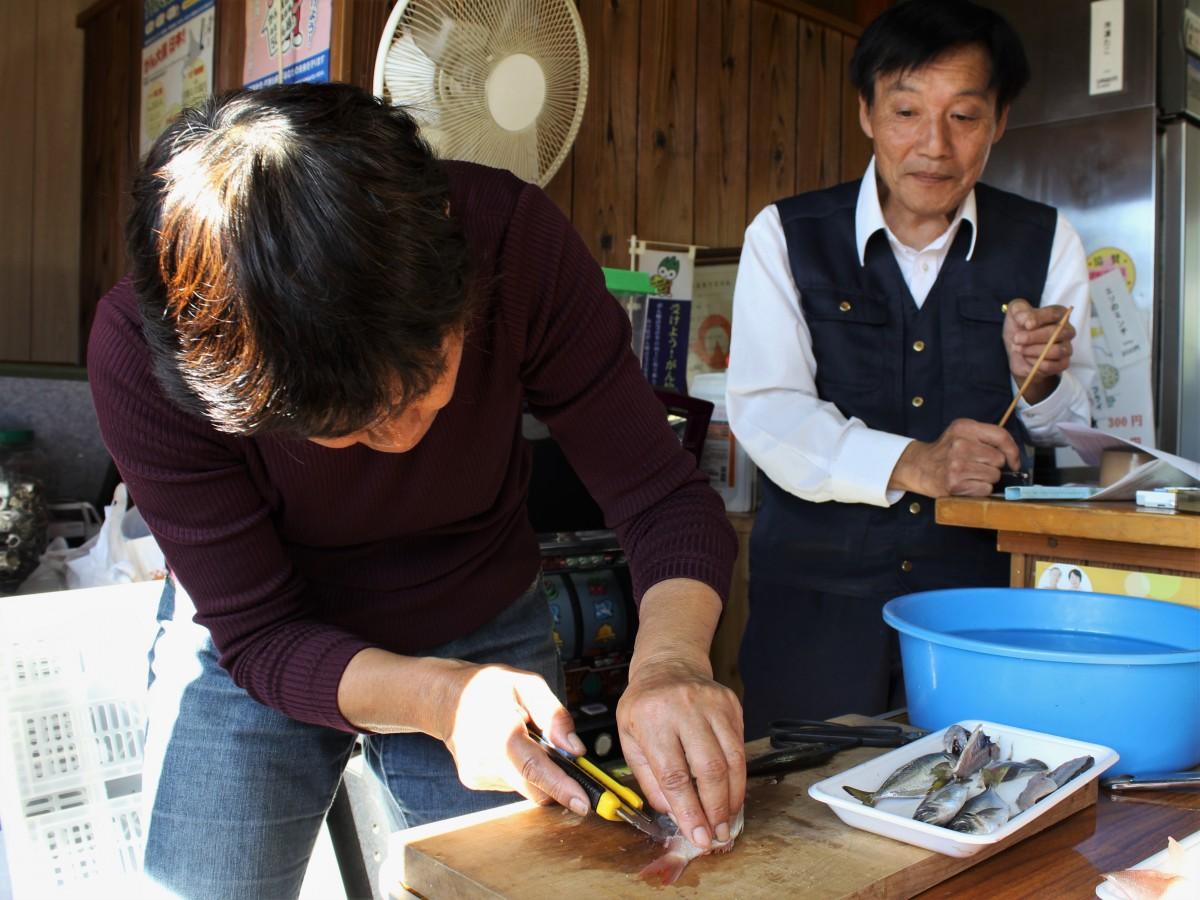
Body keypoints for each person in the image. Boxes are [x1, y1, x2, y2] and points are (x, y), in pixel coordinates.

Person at [88, 83, 744, 899]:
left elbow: (661, 498)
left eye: (422, 385)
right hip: (255, 638)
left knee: (514, 886)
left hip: (479, 608)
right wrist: (437, 697)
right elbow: (258, 635)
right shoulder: (144, 357)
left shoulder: (510, 242)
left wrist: (672, 660)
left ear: (458, 282)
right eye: (351, 428)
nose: (400, 440)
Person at [726, 0, 1096, 737]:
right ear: (866, 113)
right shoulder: (784, 235)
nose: (933, 145)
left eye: (963, 116)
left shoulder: (1048, 241)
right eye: (906, 111)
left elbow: (1078, 432)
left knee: (983, 820)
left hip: (982, 613)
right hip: (814, 614)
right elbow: (768, 411)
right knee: (801, 834)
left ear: (999, 121)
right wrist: (915, 462)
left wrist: (1044, 378)